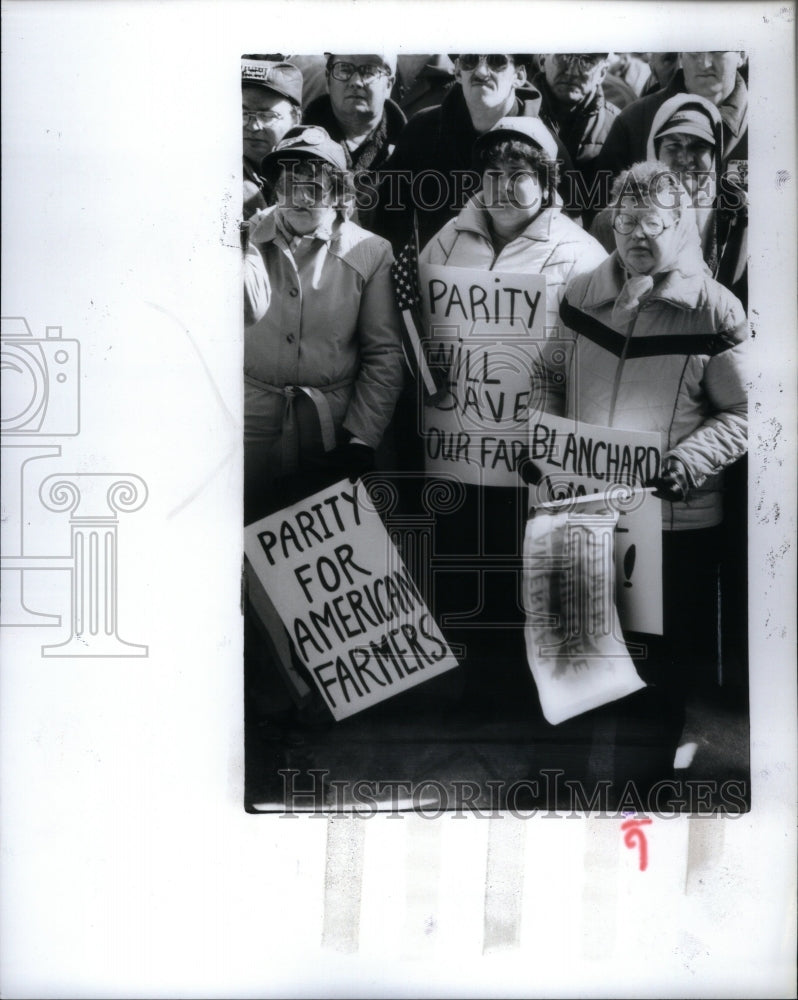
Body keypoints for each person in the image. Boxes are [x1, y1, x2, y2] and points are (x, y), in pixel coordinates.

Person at [555, 161, 749, 785]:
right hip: (590, 517)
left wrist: (687, 463)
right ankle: (580, 788)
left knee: (661, 676)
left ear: (682, 224)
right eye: (627, 220)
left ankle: (648, 797)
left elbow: (751, 411)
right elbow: (546, 375)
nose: (638, 235)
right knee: (584, 661)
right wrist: (549, 438)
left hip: (676, 527)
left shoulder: (715, 312)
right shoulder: (583, 292)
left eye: (655, 223)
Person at [416, 117, 607, 709]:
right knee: (461, 562)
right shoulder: (446, 240)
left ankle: (520, 698)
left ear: (547, 183)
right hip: (459, 445)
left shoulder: (580, 254)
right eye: (492, 174)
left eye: (518, 176)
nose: (502, 188)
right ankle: (465, 689)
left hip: (529, 452)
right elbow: (418, 330)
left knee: (522, 569)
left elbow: (591, 352)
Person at [243, 125, 405, 522]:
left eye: (314, 188)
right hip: (247, 429)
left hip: (328, 434)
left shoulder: (369, 253)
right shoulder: (240, 240)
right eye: (289, 185)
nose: (299, 198)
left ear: (339, 194)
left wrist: (361, 438)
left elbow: (383, 354)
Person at [374, 54, 577, 253]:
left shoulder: (547, 147)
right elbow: (389, 224)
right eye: (470, 60)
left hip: (517, 278)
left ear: (519, 75)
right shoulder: (421, 131)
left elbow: (568, 235)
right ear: (457, 71)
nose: (480, 72)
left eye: (497, 61)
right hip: (435, 278)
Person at [590, 93, 748, 307]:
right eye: (673, 147)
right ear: (655, 152)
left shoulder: (738, 217)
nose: (685, 159)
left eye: (698, 147)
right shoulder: (612, 222)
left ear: (714, 154)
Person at [594, 51, 748, 196]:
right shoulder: (634, 121)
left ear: (741, 54)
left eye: (718, 50)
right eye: (694, 50)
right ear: (681, 53)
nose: (705, 63)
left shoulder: (766, 126)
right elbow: (604, 213)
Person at [303, 54, 406, 229]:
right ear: (328, 79)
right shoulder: (297, 148)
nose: (356, 82)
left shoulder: (412, 151)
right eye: (344, 70)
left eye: (369, 71)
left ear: (389, 84)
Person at [532, 53, 620, 213]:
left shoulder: (618, 126)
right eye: (563, 56)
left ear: (602, 73)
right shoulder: (516, 113)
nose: (572, 71)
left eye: (586, 60)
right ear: (542, 60)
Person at [241, 57, 303, 220]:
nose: (253, 126)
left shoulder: (313, 169)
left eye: (267, 116)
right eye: (243, 114)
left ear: (296, 119)